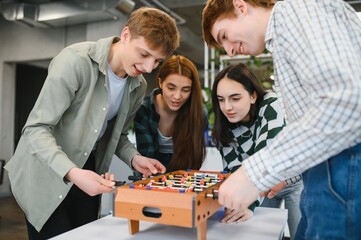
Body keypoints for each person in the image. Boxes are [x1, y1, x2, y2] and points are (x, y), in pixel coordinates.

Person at [4, 7, 180, 240]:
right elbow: (36, 130)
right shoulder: (75, 61)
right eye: (144, 54)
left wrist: (135, 158)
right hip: (44, 171)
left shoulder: (138, 85)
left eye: (157, 61)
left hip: (87, 169)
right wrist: (74, 173)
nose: (148, 68)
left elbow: (117, 136)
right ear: (126, 35)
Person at [202, 0, 361, 239]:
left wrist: (252, 175)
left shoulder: (293, 12)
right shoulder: (285, 36)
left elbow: (345, 102)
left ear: (240, 6)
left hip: (343, 167)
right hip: (322, 172)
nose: (229, 51)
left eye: (224, 35)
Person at [211, 63, 302, 237]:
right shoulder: (225, 125)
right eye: (221, 99)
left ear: (253, 96)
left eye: (235, 98)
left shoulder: (270, 105)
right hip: (261, 186)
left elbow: (264, 157)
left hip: (292, 180)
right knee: (264, 233)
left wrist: (249, 203)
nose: (227, 107)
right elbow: (234, 169)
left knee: (300, 233)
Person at [134, 55, 208, 171]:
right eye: (171, 88)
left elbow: (193, 162)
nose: (177, 96)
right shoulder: (144, 110)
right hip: (151, 176)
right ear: (160, 83)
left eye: (185, 90)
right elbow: (147, 162)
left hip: (185, 178)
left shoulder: (199, 114)